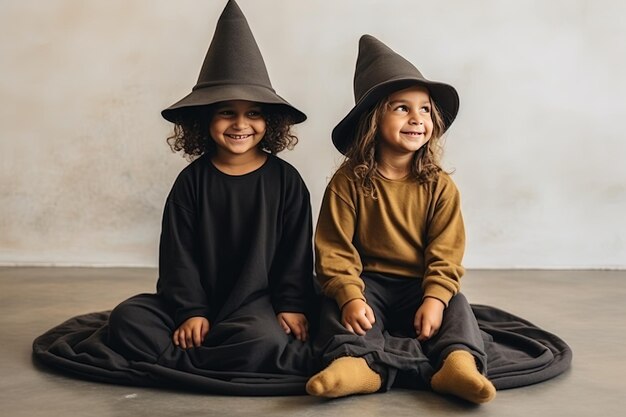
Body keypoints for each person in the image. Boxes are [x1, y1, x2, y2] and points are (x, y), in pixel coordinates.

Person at [107, 0, 317, 379]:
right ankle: (217, 356)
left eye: (253, 113)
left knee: (263, 339)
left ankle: (188, 361)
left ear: (270, 121)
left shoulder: (286, 181)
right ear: (204, 119)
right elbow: (177, 256)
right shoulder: (191, 183)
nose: (240, 124)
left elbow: (295, 255)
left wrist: (290, 304)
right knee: (126, 319)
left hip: (258, 304)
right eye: (226, 112)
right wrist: (191, 311)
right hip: (200, 299)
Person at [306, 34, 496, 404]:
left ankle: (457, 364)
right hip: (368, 282)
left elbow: (446, 251)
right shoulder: (348, 182)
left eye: (425, 109)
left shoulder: (439, 185)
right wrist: (349, 296)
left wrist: (435, 298)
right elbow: (333, 249)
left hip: (417, 284)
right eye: (401, 108)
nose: (417, 119)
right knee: (330, 308)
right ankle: (357, 364)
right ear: (374, 119)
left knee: (458, 306)